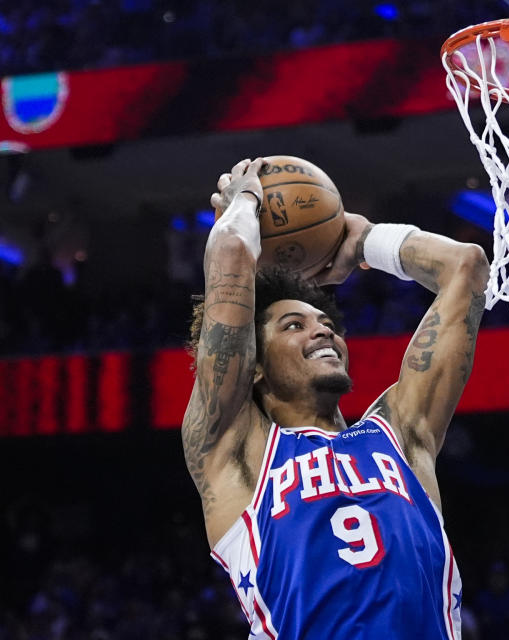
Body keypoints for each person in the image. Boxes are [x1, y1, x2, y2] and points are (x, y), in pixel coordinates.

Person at [182, 158, 489, 639]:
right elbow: (232, 255)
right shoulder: (238, 454)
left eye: (325, 324)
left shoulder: (401, 435)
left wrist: (364, 240)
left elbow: (464, 266)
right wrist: (245, 200)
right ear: (255, 366)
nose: (322, 330)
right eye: (293, 325)